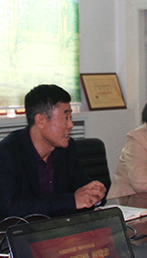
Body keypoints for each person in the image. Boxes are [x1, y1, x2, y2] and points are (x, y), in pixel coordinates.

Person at [0, 84, 106, 219]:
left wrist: (95, 193)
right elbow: (10, 208)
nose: (71, 125)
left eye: (71, 117)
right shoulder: (7, 153)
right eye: (65, 118)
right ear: (41, 120)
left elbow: (83, 188)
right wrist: (71, 201)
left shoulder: (67, 149)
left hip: (60, 228)